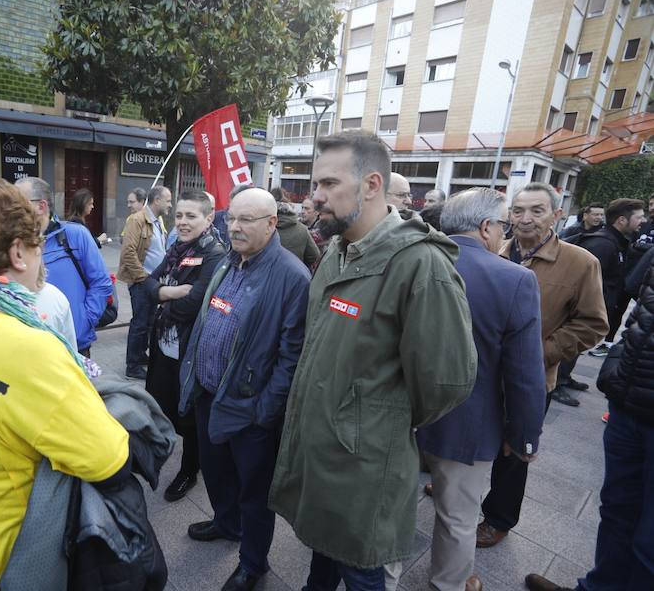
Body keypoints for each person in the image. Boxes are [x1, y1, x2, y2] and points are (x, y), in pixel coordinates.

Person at [269, 131, 476, 591]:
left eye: (327, 184)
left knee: (362, 569)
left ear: (371, 184)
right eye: (314, 184)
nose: (315, 197)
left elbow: (445, 382)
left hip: (365, 467)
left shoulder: (421, 265)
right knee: (322, 551)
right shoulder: (337, 253)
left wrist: (371, 417)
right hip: (323, 454)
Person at [0, 180, 130, 591]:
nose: (39, 260)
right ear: (18, 252)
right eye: (37, 249)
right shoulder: (26, 344)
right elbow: (108, 458)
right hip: (20, 548)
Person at [178, 187, 310, 591]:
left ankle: (253, 563)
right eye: (230, 218)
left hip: (250, 410)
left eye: (245, 220)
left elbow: (292, 356)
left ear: (272, 223)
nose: (233, 226)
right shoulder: (228, 262)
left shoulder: (291, 276)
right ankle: (225, 522)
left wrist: (264, 410)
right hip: (210, 395)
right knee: (216, 473)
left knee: (254, 494)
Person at [417, 188, 546, 591]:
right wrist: (524, 438)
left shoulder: (409, 263)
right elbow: (525, 375)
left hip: (403, 415)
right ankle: (449, 584)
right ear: (487, 227)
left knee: (393, 506)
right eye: (505, 224)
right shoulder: (515, 279)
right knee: (456, 517)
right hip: (468, 424)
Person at [477, 182, 608, 548]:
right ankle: (461, 487)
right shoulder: (495, 251)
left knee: (515, 452)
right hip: (485, 372)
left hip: (531, 378)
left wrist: (539, 353)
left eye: (537, 210)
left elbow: (594, 323)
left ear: (557, 214)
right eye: (518, 211)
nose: (525, 218)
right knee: (477, 431)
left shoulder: (580, 262)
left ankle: (498, 518)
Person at [524, 264, 654, 591]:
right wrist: (618, 366)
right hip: (629, 404)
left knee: (650, 540)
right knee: (617, 510)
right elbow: (641, 311)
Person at [144, 189, 225, 502]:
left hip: (189, 350)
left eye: (191, 216)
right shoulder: (177, 247)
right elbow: (148, 284)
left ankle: (190, 470)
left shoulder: (214, 252)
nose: (183, 221)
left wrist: (162, 297)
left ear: (208, 218)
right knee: (165, 404)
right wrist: (169, 293)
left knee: (189, 415)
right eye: (179, 215)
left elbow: (194, 303)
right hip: (165, 345)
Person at [14, 177, 111, 357]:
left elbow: (102, 282)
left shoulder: (76, 235)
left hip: (75, 347)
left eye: (17, 203)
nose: (11, 209)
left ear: (41, 206)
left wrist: (83, 322)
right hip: (31, 349)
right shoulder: (13, 244)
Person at [580, 198, 646, 358]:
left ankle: (564, 379)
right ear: (622, 220)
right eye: (639, 217)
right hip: (585, 311)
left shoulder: (620, 242)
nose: (643, 221)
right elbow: (584, 281)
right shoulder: (603, 245)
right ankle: (560, 381)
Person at [119, 185, 172, 379]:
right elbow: (128, 252)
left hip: (152, 282)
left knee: (149, 323)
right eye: (168, 200)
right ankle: (132, 366)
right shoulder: (137, 219)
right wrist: (144, 278)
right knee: (140, 323)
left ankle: (141, 356)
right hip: (142, 282)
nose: (170, 205)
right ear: (156, 200)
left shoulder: (157, 220)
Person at [269, 187, 319, 269]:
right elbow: (314, 256)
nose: (302, 211)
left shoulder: (261, 227)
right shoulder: (302, 229)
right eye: (302, 207)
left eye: (306, 208)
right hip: (293, 278)